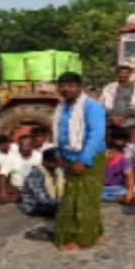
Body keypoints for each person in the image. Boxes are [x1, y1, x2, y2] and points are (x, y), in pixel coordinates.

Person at [52, 71, 107, 252]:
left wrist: (83, 160)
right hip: (69, 158)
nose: (66, 89)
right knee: (72, 199)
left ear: (80, 88)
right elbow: (60, 133)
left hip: (89, 159)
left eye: (71, 86)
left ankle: (84, 240)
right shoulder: (61, 108)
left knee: (85, 201)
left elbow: (96, 135)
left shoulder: (91, 107)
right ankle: (95, 231)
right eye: (63, 86)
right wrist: (59, 153)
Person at [99, 66, 135, 144]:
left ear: (130, 74)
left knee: (133, 132)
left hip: (129, 118)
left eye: (126, 73)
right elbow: (102, 103)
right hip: (111, 119)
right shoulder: (109, 87)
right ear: (117, 74)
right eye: (121, 73)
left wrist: (124, 117)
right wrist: (112, 117)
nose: (123, 75)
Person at [19, 148, 65, 217]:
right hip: (35, 206)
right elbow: (42, 199)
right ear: (45, 162)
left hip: (53, 202)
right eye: (55, 162)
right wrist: (64, 202)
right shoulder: (36, 174)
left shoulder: (57, 170)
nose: (58, 164)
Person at [0, 135, 42, 204]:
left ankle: (23, 197)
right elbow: (2, 174)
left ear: (32, 146)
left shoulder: (39, 156)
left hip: (34, 187)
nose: (23, 148)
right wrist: (3, 192)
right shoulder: (11, 157)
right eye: (21, 145)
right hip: (16, 188)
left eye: (27, 145)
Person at [101, 128, 135, 203]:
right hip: (102, 188)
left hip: (118, 189)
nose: (120, 141)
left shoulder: (124, 160)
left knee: (123, 193)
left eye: (122, 139)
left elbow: (130, 177)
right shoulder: (100, 156)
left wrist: (130, 193)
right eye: (118, 139)